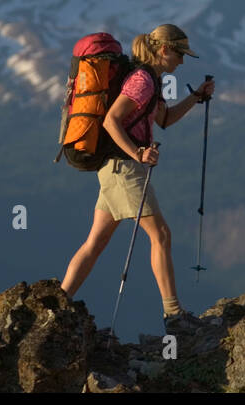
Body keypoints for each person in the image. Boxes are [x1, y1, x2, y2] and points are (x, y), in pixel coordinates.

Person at [59, 23, 215, 335]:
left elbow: (165, 119)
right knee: (161, 236)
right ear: (164, 50)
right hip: (123, 169)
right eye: (180, 54)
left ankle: (58, 304)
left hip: (115, 168)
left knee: (96, 241)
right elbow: (110, 121)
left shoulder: (150, 80)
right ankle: (174, 315)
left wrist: (197, 97)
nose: (182, 62)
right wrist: (138, 153)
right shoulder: (143, 80)